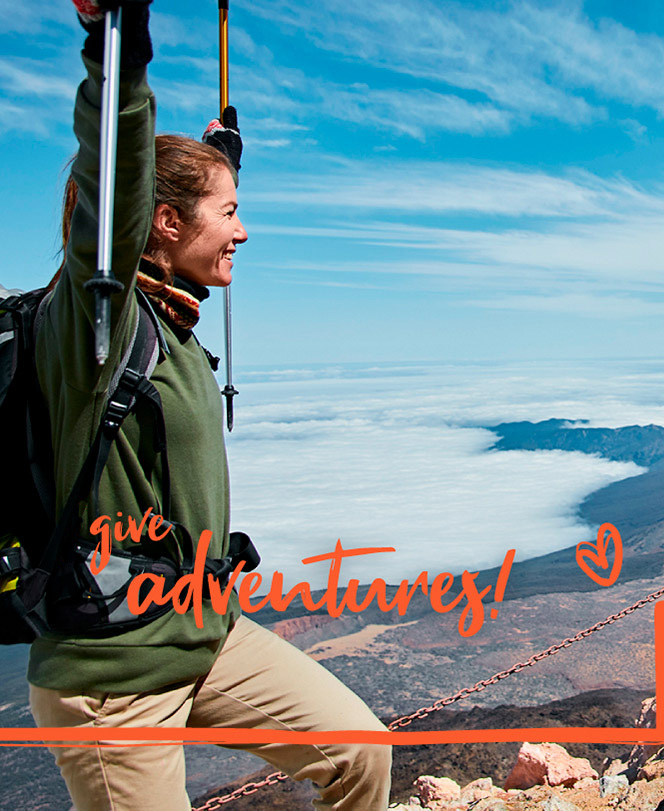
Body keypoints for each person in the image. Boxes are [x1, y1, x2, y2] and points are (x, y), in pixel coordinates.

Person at [27, 3, 391, 809]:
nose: (245, 232)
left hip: (203, 635)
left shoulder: (173, 315)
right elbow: (114, 173)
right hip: (116, 680)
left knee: (361, 754)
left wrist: (215, 167)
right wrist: (116, 44)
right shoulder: (98, 322)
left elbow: (171, 199)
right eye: (229, 215)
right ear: (160, 223)